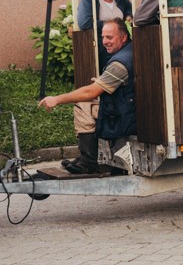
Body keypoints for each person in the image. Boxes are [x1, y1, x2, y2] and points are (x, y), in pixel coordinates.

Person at [39, 19, 135, 169]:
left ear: (123, 37)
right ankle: (86, 157)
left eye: (109, 37)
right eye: (103, 37)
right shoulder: (130, 51)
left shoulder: (120, 63)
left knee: (83, 105)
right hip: (130, 105)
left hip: (127, 114)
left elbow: (90, 92)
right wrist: (103, 83)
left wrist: (57, 99)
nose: (104, 42)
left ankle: (88, 161)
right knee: (90, 102)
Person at [64, 0, 132, 175]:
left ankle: (88, 160)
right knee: (92, 98)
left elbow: (129, 10)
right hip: (102, 52)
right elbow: (85, 22)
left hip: (117, 53)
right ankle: (87, 158)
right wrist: (112, 27)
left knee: (87, 102)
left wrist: (126, 19)